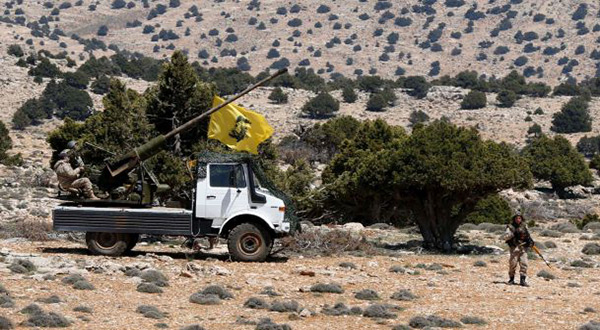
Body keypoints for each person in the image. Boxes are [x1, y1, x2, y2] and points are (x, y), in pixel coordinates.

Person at [501, 214, 534, 286]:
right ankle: (511, 279)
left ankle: (522, 280)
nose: (518, 220)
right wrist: (513, 234)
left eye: (519, 218)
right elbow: (505, 237)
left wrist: (530, 241)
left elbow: (528, 235)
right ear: (514, 219)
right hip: (514, 247)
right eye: (516, 218)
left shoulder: (524, 226)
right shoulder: (510, 227)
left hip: (523, 247)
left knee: (524, 263)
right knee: (513, 264)